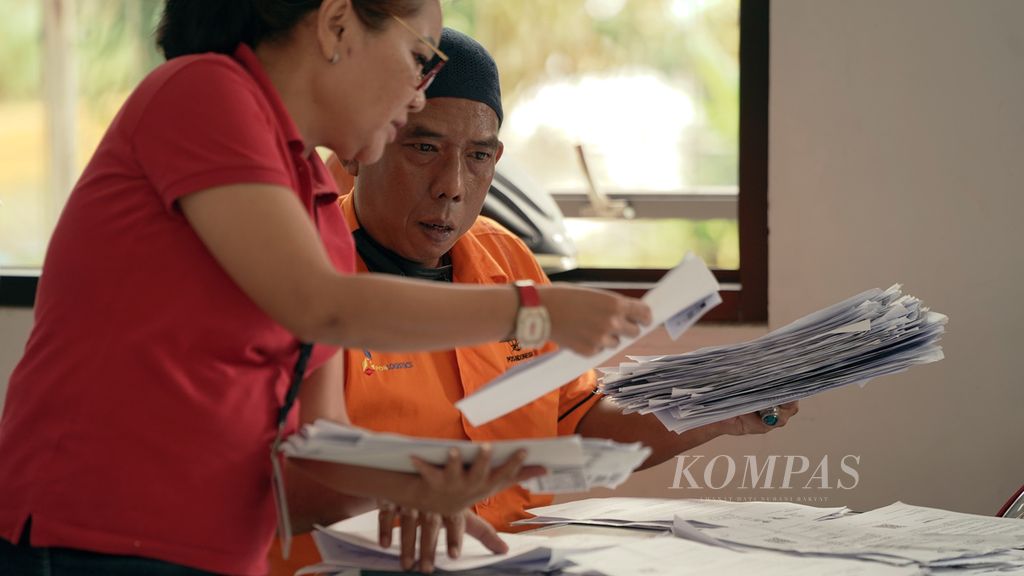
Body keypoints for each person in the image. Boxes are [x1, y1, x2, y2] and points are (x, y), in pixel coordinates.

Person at [0, 2, 652, 575]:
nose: (419, 95)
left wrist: (426, 479)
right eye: (419, 58)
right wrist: (531, 314)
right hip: (93, 541)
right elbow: (322, 307)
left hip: (216, 551)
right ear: (338, 24)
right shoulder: (203, 92)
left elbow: (320, 440)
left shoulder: (316, 208)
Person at [334, 27, 799, 534]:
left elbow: (576, 418)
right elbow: (279, 472)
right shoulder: (305, 280)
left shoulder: (506, 259)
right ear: (359, 147)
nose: (452, 186)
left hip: (515, 558)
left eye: (478, 156)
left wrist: (717, 410)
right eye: (424, 147)